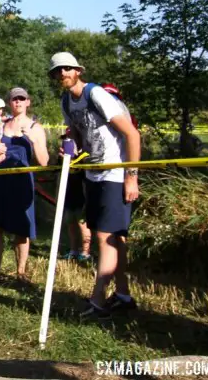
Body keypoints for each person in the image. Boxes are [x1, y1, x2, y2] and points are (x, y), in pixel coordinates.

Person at [49, 52, 141, 320]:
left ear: (77, 70)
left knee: (104, 238)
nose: (63, 74)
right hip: (93, 174)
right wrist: (70, 148)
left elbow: (132, 135)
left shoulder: (96, 94)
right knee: (114, 240)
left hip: (116, 173)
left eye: (67, 69)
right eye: (58, 71)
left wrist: (131, 176)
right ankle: (123, 296)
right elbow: (77, 134)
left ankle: (98, 300)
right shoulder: (66, 101)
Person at [0, 87, 49, 282]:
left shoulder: (35, 127)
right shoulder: (0, 124)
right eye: (14, 99)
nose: (18, 102)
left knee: (21, 229)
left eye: (22, 98)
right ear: (9, 103)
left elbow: (44, 161)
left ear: (28, 102)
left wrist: (34, 141)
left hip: (21, 183)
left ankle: (21, 273)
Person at [59, 129, 92, 263]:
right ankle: (73, 250)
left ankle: (85, 252)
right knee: (70, 223)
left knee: (82, 224)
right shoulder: (62, 155)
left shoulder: (84, 155)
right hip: (67, 194)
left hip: (81, 195)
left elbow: (86, 171)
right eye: (66, 138)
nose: (67, 141)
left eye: (70, 138)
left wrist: (75, 157)